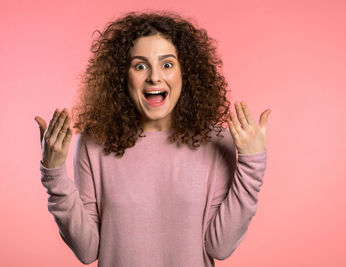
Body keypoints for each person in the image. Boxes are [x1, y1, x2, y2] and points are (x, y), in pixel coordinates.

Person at [34, 11, 271, 267]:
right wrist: (54, 173)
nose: (154, 77)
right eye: (140, 65)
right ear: (122, 76)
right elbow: (88, 250)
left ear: (186, 73)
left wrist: (252, 165)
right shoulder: (93, 143)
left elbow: (220, 246)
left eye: (167, 64)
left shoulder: (215, 140)